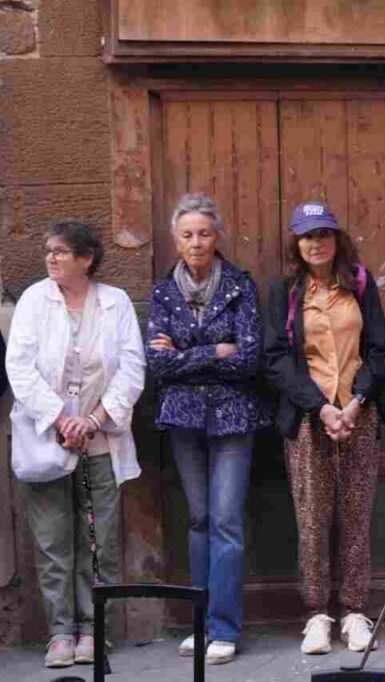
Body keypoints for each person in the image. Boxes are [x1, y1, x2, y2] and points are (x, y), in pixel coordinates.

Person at [5, 221, 145, 668]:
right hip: (48, 440)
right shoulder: (34, 300)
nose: (51, 258)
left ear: (86, 259)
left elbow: (132, 370)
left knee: (98, 541)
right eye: (49, 250)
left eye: (62, 251)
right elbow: (19, 367)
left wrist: (93, 420)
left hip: (99, 440)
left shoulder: (116, 303)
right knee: (52, 541)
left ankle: (93, 629)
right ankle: (61, 632)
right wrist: (63, 419)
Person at [264, 201, 385, 654]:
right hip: (309, 418)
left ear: (337, 239)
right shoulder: (286, 292)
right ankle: (317, 614)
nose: (315, 243)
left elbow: (378, 349)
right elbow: (276, 360)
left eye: (323, 234)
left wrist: (356, 402)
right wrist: (321, 408)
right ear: (296, 243)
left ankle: (355, 612)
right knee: (312, 519)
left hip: (358, 414)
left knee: (356, 517)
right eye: (307, 236)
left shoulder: (359, 283)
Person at [145, 192, 268, 665]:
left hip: (233, 415)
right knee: (198, 519)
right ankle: (199, 624)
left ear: (217, 237)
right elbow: (158, 363)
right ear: (176, 241)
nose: (196, 242)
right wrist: (215, 351)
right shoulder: (163, 292)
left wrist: (184, 354)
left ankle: (224, 628)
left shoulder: (240, 286)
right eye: (187, 235)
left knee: (226, 521)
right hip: (183, 417)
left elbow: (249, 358)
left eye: (203, 233)